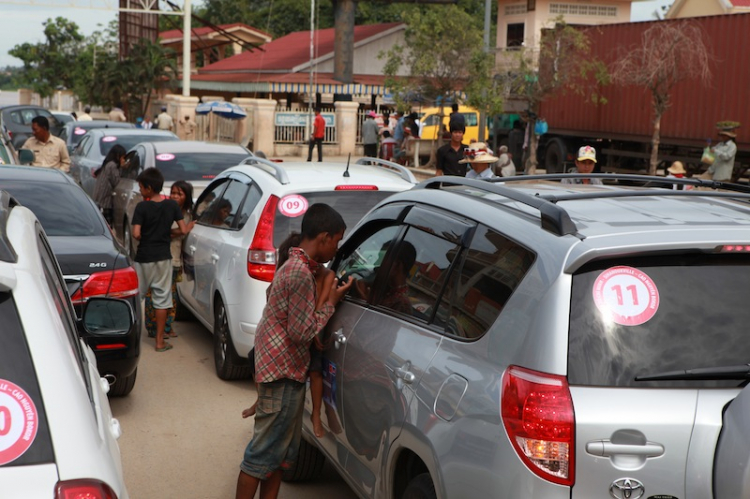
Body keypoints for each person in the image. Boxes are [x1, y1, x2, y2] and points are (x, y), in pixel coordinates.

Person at [235, 203, 353, 499]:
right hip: (282, 374)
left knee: (277, 458)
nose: (336, 248)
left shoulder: (294, 265)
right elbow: (301, 333)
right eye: (337, 241)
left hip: (283, 371)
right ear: (324, 237)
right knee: (261, 457)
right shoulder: (300, 273)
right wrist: (331, 303)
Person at [131, 167, 191, 352]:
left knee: (135, 298)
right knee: (162, 299)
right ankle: (159, 342)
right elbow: (182, 230)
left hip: (143, 258)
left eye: (141, 187)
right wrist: (165, 233)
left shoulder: (142, 207)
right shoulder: (172, 206)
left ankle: (131, 339)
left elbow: (136, 234)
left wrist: (149, 234)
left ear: (149, 188)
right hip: (163, 258)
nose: (140, 190)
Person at [144, 180, 195, 339]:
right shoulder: (163, 210)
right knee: (156, 295)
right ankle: (154, 329)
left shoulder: (188, 215)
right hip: (159, 259)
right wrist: (182, 230)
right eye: (173, 192)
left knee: (170, 297)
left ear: (186, 197)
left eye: (179, 194)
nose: (174, 196)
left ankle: (166, 326)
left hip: (174, 261)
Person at [92, 144, 128, 225]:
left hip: (99, 200)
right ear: (118, 156)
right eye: (123, 157)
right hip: (105, 203)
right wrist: (122, 168)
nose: (124, 160)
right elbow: (116, 182)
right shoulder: (112, 166)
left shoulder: (107, 164)